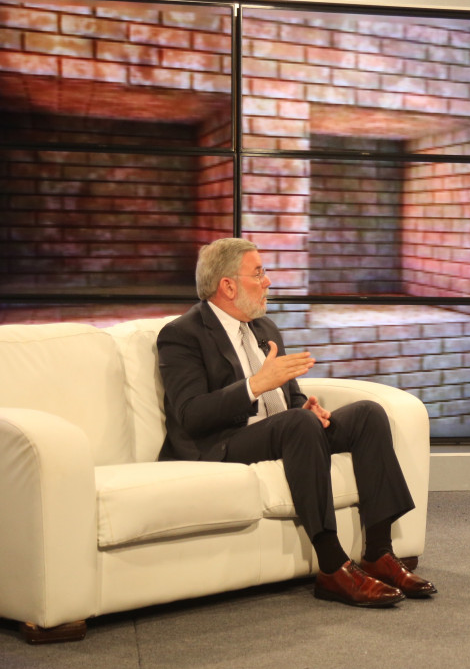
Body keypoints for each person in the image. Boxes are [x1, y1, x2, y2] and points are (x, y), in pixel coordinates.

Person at [158, 237, 435, 607]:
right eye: (258, 273)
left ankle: (379, 553)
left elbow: (290, 398)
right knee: (298, 425)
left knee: (367, 414)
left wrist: (306, 407)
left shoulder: (265, 328)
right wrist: (254, 386)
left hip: (283, 432)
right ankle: (333, 567)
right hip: (222, 443)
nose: (268, 281)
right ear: (228, 285)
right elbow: (191, 414)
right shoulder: (183, 334)